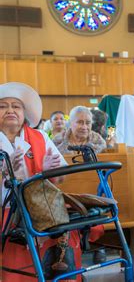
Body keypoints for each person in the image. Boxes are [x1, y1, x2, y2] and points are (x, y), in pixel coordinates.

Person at [0, 82, 80, 281]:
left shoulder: (40, 137)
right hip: (4, 210)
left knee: (65, 224)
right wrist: (4, 171)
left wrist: (49, 171)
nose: (10, 110)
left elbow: (61, 178)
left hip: (40, 208)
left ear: (24, 112)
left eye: (16, 106)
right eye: (3, 106)